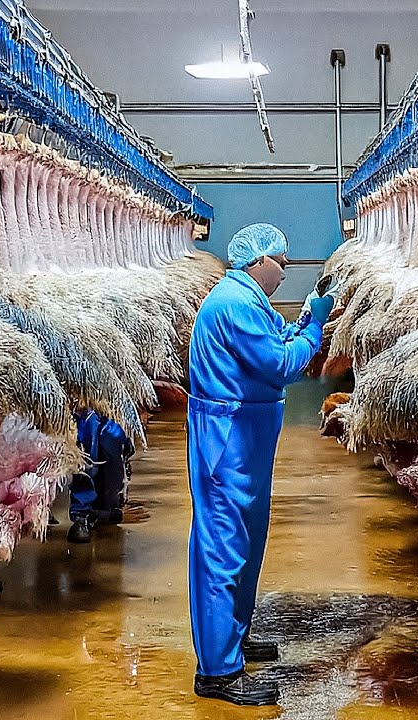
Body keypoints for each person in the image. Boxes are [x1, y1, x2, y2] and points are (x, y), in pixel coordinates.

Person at [186, 223, 335, 706]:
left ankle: (237, 637)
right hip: (226, 443)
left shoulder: (248, 301)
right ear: (259, 260)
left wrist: (301, 322)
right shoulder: (234, 304)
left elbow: (274, 340)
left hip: (245, 442)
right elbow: (280, 364)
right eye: (282, 263)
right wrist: (314, 328)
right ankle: (218, 673)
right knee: (224, 550)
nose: (285, 272)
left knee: (247, 544)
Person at [68, 409, 136, 543]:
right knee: (86, 448)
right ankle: (82, 514)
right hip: (83, 408)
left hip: (111, 406)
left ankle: (106, 505)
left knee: (112, 441)